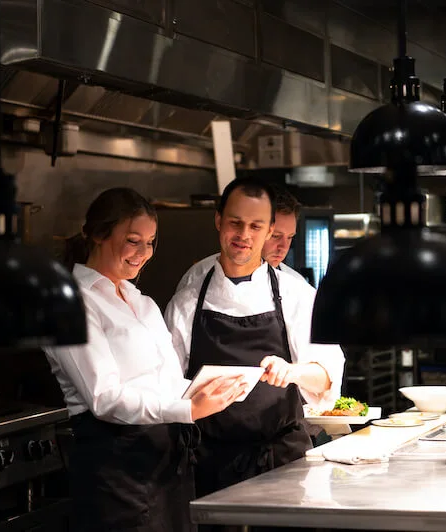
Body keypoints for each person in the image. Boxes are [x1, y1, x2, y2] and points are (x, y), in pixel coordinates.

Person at [43, 187, 247, 532]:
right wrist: (188, 409)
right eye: (133, 240)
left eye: (150, 242)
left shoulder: (143, 303)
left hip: (167, 464)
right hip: (116, 470)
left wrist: (212, 387)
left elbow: (165, 383)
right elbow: (103, 398)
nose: (143, 253)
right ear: (94, 234)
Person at [163, 177, 344, 516]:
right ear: (218, 221)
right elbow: (167, 384)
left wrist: (293, 372)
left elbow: (328, 376)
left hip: (281, 460)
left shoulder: (294, 294)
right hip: (207, 462)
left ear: (268, 230)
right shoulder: (188, 300)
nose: (244, 235)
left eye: (255, 226)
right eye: (235, 223)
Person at [175, 185, 306, 291]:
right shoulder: (197, 276)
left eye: (289, 238)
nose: (283, 247)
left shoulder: (298, 287)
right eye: (276, 236)